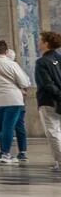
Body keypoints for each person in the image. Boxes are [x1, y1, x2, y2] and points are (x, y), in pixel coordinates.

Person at [0, 38, 33, 164]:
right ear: (5, 50)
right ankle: (6, 154)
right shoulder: (12, 64)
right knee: (8, 126)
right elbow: (24, 82)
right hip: (13, 99)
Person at [34, 32, 61, 171]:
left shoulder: (42, 62)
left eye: (40, 40)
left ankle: (60, 161)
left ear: (46, 44)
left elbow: (47, 83)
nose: (39, 42)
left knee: (53, 131)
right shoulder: (59, 58)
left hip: (49, 100)